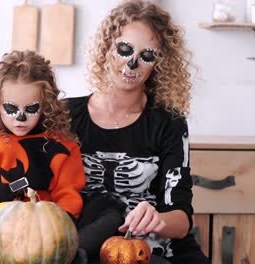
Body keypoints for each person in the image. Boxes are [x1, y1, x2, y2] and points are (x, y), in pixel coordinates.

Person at [67, 1, 209, 263]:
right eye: (124, 49)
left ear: (159, 64)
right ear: (106, 47)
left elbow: (180, 221)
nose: (132, 64)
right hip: (86, 244)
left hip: (155, 249)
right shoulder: (65, 116)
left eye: (147, 55)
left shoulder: (169, 123)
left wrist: (157, 219)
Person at [0, 50, 86, 226]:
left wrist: (58, 226)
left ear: (45, 106)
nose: (20, 118)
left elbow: (68, 194)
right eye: (11, 108)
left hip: (41, 227)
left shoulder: (64, 147)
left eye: (30, 109)